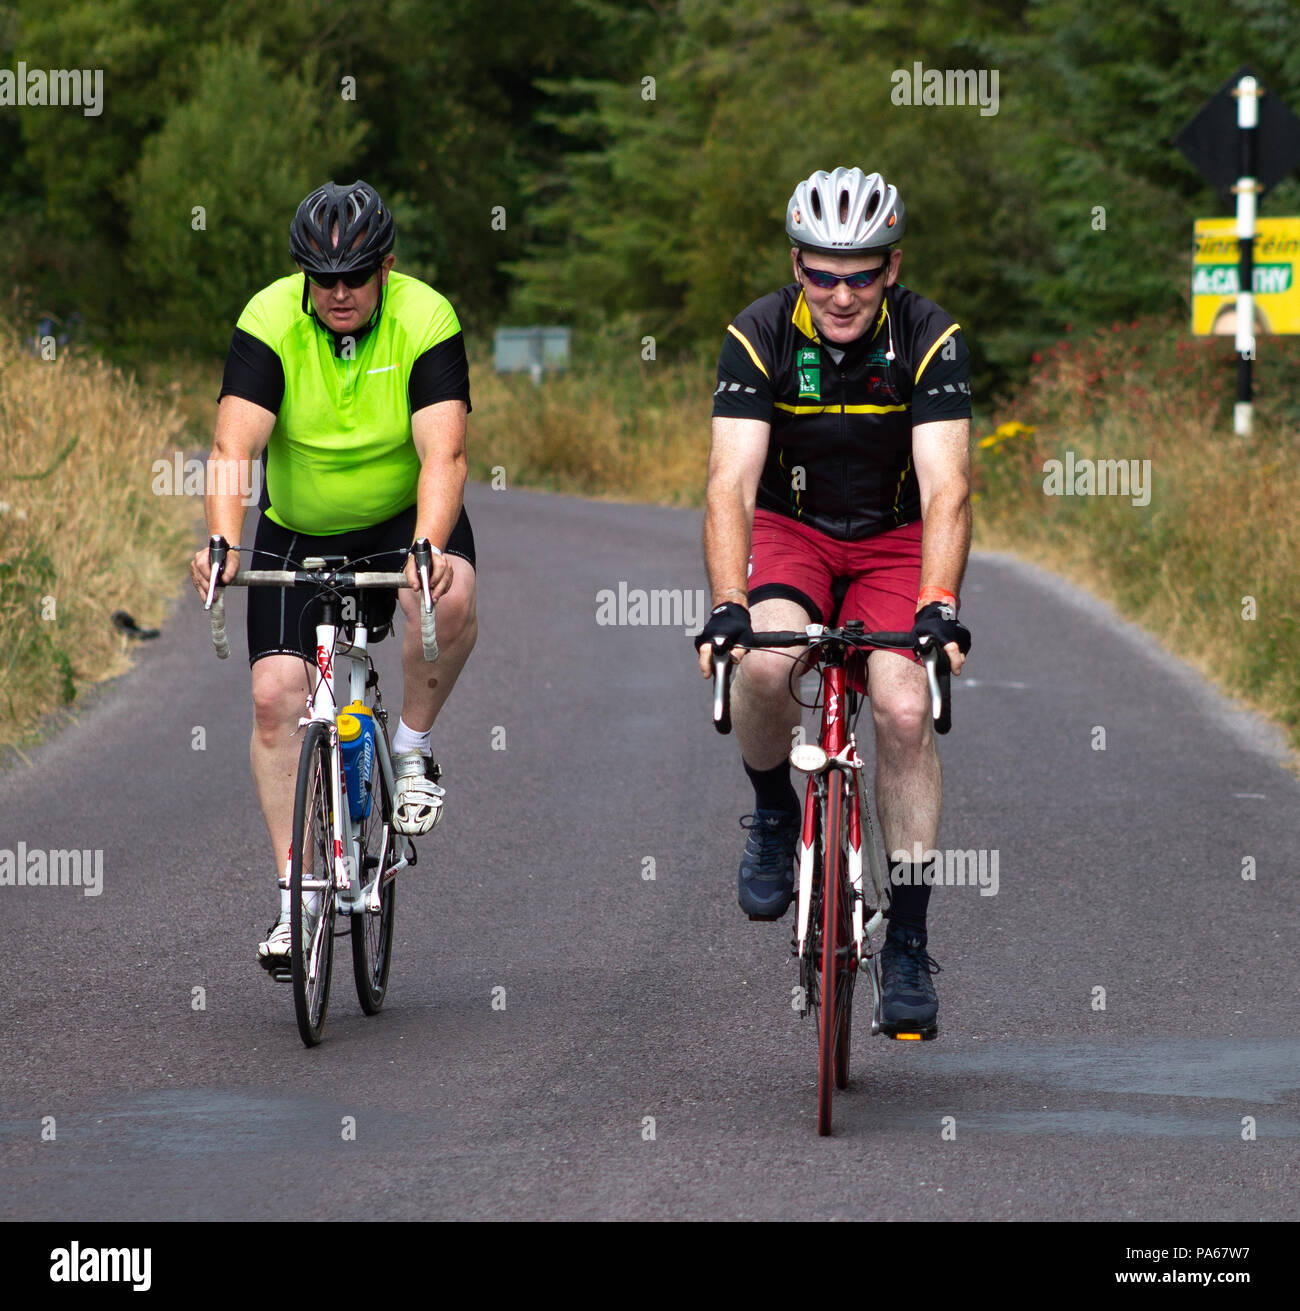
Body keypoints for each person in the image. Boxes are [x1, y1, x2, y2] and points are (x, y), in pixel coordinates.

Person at [694, 167, 972, 1038]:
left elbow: (948, 488)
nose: (841, 293)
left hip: (892, 537)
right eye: (823, 273)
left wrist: (935, 603)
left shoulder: (930, 335)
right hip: (795, 529)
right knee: (763, 663)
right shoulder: (759, 332)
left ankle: (910, 941)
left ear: (892, 267)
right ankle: (775, 814)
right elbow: (730, 486)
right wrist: (730, 602)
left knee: (899, 706)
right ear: (797, 265)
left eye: (861, 273)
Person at [188, 180, 478, 973]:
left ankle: (412, 745)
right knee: (276, 697)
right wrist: (220, 540)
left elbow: (443, 454)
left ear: (388, 265)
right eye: (323, 277)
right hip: (297, 527)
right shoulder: (270, 319)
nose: (339, 292)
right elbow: (232, 451)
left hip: (398, 519)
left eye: (355, 275)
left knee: (447, 589)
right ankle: (299, 894)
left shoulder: (425, 318)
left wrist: (425, 547)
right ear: (303, 275)